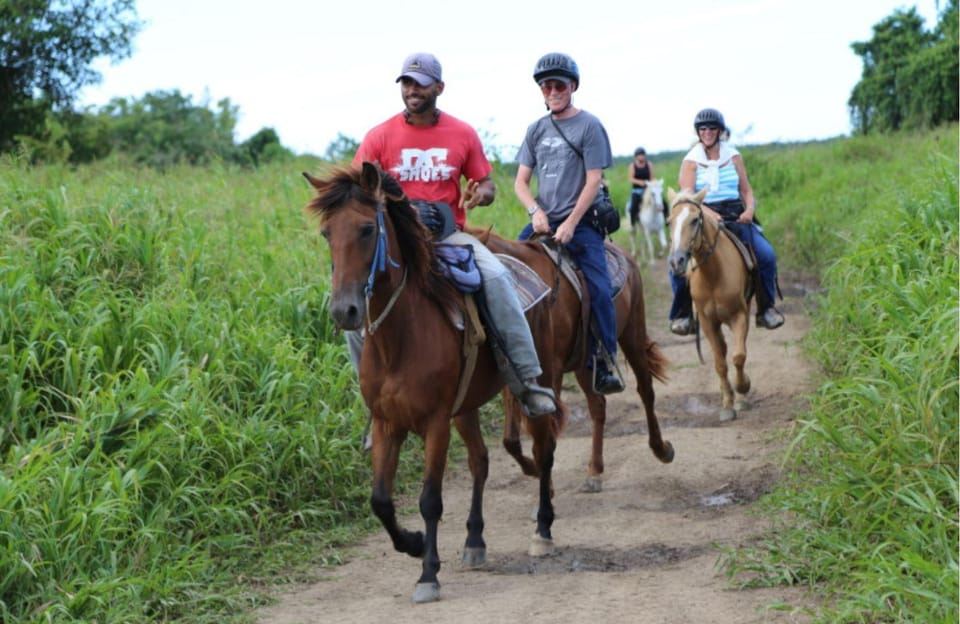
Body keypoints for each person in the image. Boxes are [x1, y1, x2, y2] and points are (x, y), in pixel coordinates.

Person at [348, 52, 557, 419]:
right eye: (407, 83)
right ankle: (374, 405)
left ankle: (526, 380)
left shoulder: (462, 133)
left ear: (439, 88)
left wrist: (482, 193)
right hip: (396, 242)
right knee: (353, 305)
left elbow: (487, 183)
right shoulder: (379, 136)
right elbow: (356, 190)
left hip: (448, 236)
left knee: (497, 279)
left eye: (421, 83)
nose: (413, 90)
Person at [514, 52, 624, 395]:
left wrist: (572, 223)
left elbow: (594, 181)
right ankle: (509, 356)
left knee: (600, 288)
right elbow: (520, 183)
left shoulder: (589, 126)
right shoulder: (535, 130)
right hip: (543, 222)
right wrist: (536, 212)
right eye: (546, 85)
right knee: (506, 274)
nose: (552, 90)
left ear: (572, 86)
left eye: (558, 84)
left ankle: (605, 359)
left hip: (581, 222)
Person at [668, 107, 785, 335]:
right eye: (703, 129)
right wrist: (710, 214)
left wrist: (749, 209)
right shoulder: (690, 161)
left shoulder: (733, 156)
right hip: (703, 217)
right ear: (698, 132)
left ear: (720, 131)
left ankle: (765, 309)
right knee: (675, 262)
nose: (708, 132)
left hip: (737, 215)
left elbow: (746, 190)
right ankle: (683, 314)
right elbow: (687, 198)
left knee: (766, 255)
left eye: (712, 128)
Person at [627, 147, 654, 228]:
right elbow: (630, 179)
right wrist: (640, 182)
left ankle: (666, 219)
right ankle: (633, 224)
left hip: (648, 189)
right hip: (637, 190)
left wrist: (652, 183)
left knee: (661, 201)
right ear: (636, 157)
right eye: (639, 155)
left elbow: (652, 177)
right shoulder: (632, 166)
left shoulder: (649, 164)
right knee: (633, 207)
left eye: (643, 155)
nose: (641, 157)